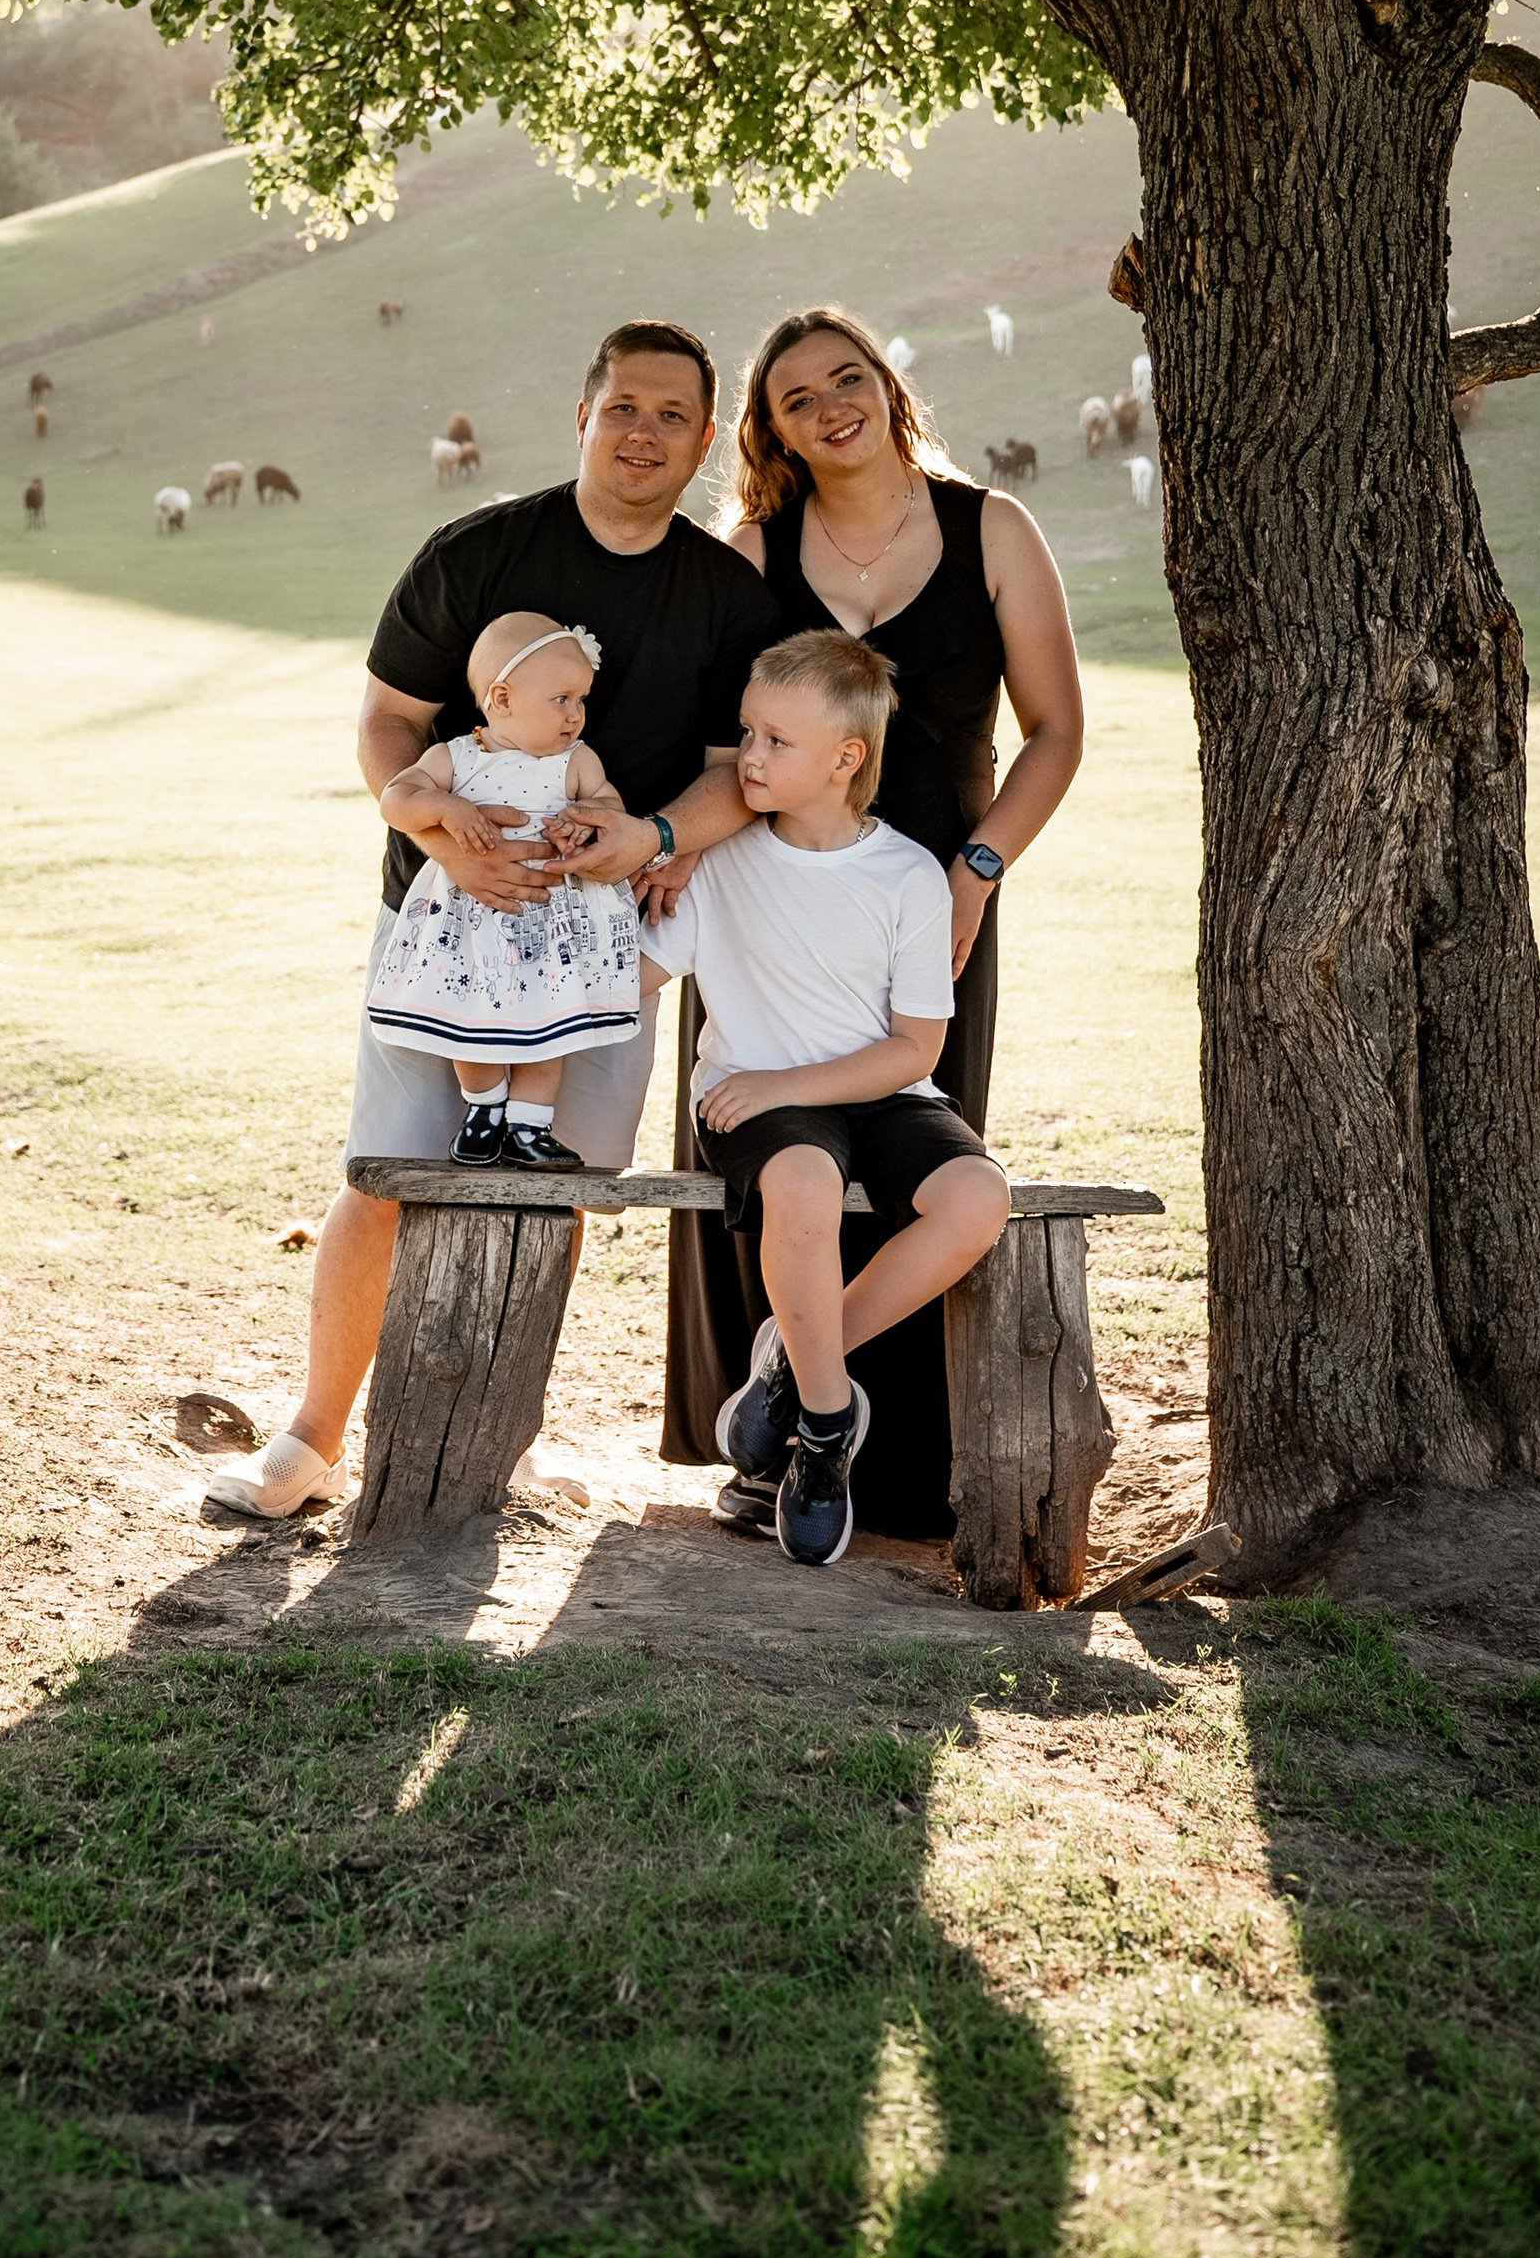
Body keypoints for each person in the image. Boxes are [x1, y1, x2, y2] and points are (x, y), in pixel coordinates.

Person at [204, 319, 784, 1521]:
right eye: (625, 404)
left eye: (674, 414)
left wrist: (652, 838)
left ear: (707, 440)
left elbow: (742, 766)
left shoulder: (727, 594)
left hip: (596, 946)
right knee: (391, 1169)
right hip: (441, 928)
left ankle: (495, 1442)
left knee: (551, 1185)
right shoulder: (473, 553)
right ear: (583, 412)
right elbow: (384, 723)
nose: (645, 431)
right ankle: (311, 1442)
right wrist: (437, 833)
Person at [664, 305, 1083, 1536]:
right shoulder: (752, 550)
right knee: (785, 1168)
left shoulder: (990, 528)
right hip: (767, 902)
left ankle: (864, 1448)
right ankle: (761, 1465)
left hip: (935, 901)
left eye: (847, 378)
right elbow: (714, 745)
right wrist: (682, 855)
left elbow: (1054, 731)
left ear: (889, 388)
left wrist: (977, 868)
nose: (827, 404)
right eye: (795, 398)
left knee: (915, 1172)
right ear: (773, 431)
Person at [641, 628, 1011, 1563]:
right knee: (801, 1181)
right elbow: (632, 977)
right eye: (747, 733)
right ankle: (825, 1424)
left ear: (847, 759)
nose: (747, 758)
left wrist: (787, 1082)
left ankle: (794, 1367)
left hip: (873, 1090)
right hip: (753, 1103)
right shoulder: (717, 862)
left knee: (979, 1199)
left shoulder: (908, 876)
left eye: (774, 742)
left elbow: (914, 1049)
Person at [371, 613, 645, 1170]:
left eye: (581, 699)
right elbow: (396, 799)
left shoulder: (576, 761)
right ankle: (484, 1109)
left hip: (551, 925)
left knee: (548, 1029)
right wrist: (446, 807)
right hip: (472, 926)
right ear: (502, 698)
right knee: (470, 1027)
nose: (577, 714)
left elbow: (610, 806)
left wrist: (587, 821)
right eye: (562, 699)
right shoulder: (455, 758)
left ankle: (529, 1125)